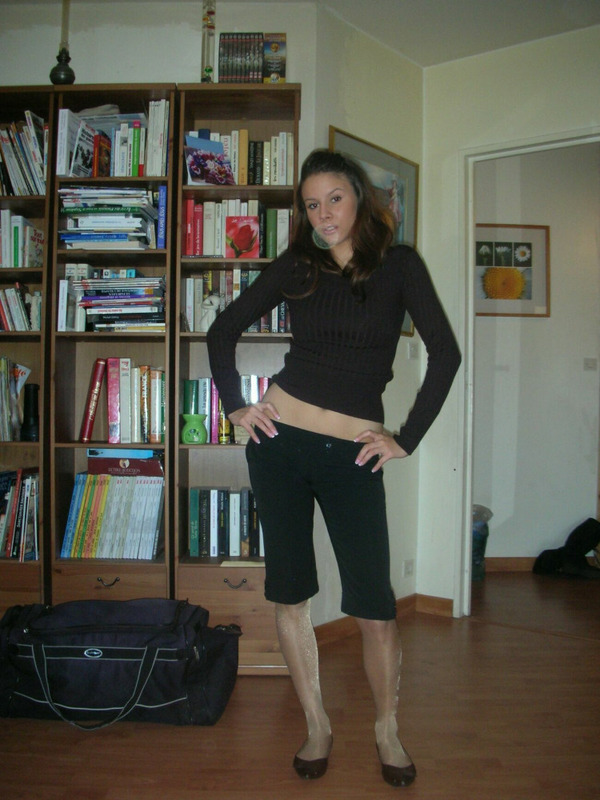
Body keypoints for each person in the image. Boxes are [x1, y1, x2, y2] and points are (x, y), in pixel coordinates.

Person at [207, 148, 461, 787]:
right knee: (291, 592)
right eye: (312, 204)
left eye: (335, 199)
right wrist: (236, 404)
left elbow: (446, 354)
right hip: (280, 447)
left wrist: (406, 439)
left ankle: (386, 730)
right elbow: (222, 330)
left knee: (374, 605)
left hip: (354, 456)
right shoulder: (297, 266)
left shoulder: (400, 266)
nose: (324, 214)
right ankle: (317, 724)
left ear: (359, 197)